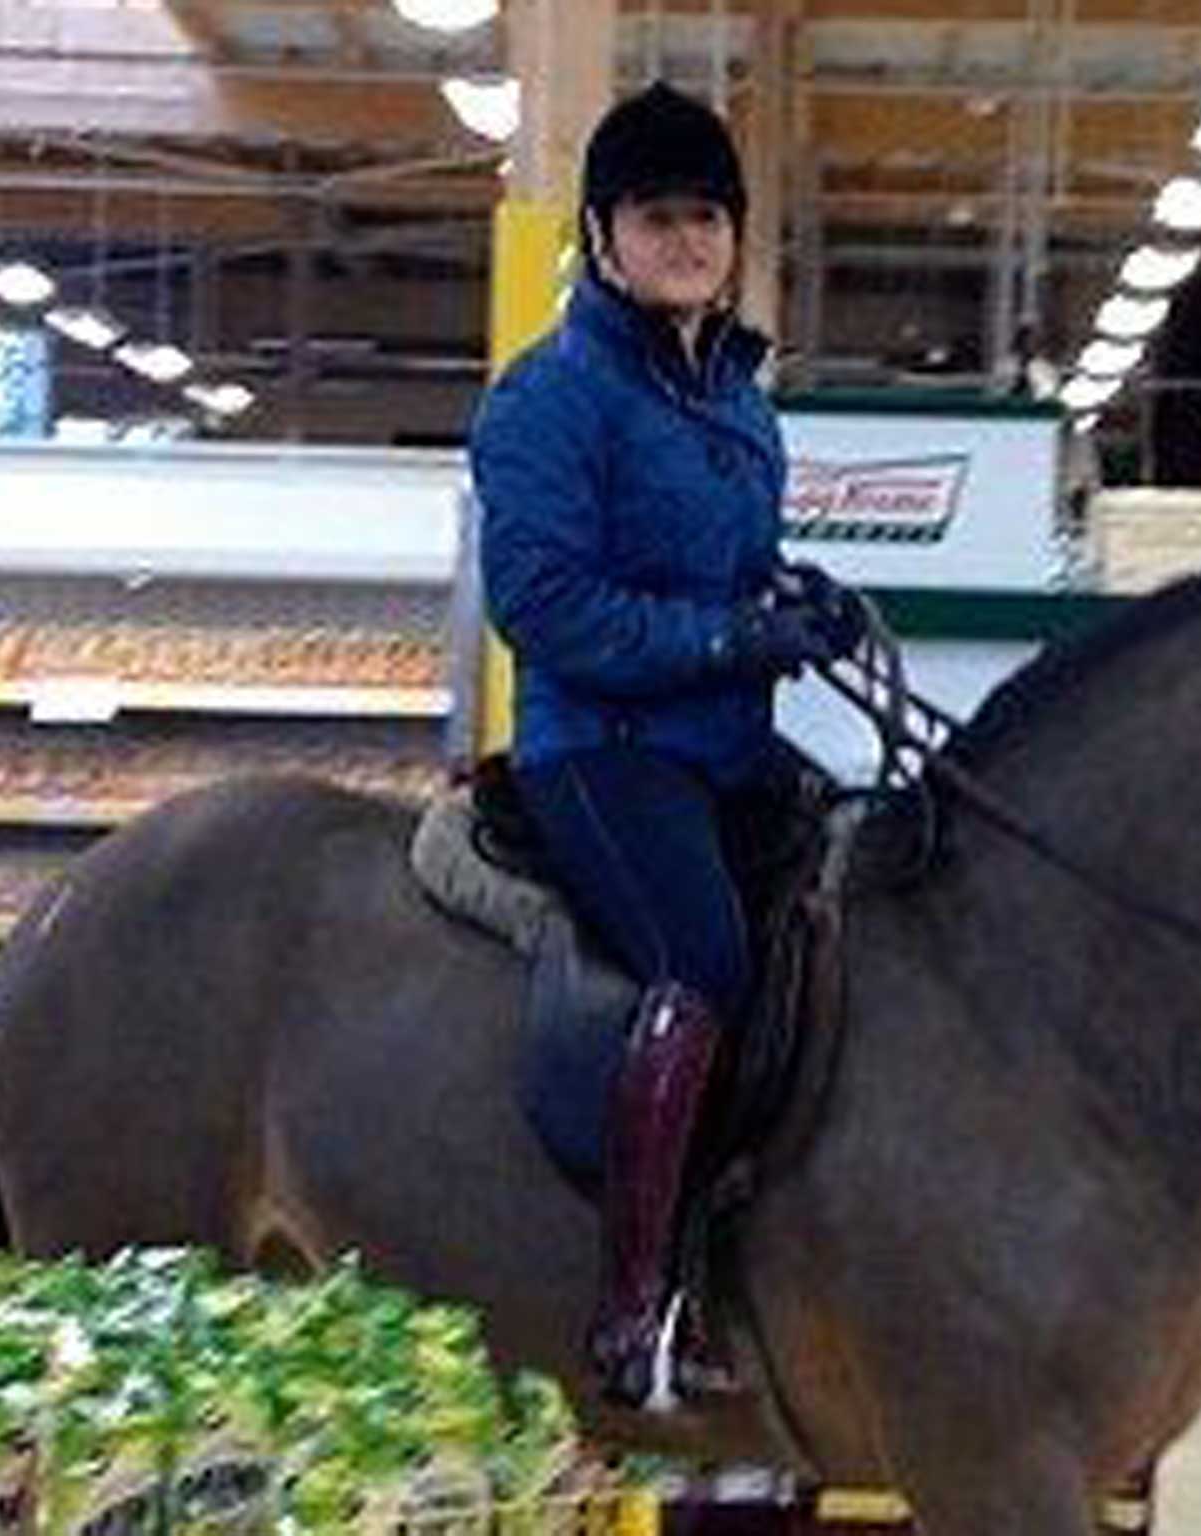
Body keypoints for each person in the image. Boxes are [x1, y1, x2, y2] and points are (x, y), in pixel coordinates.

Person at [469, 80, 862, 1408]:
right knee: (700, 959)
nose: (687, 239)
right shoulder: (550, 398)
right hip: (602, 746)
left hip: (723, 743)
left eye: (707, 217)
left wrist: (800, 603)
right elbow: (547, 607)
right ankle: (635, 1306)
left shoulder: (742, 405)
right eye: (657, 217)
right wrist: (723, 643)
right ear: (602, 233)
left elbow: (732, 577)